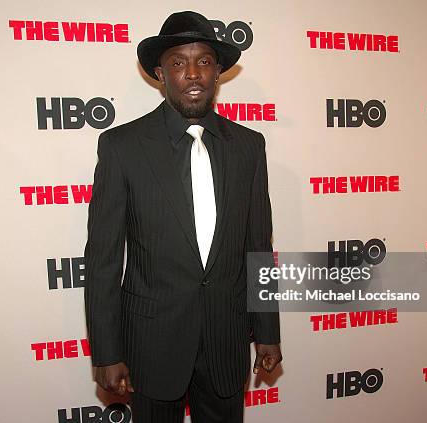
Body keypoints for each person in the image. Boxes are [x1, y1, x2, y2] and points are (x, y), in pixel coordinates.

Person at [83, 10, 282, 423]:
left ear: (218, 73)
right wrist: (107, 350)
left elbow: (259, 248)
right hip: (152, 343)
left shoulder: (248, 147)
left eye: (204, 62)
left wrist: (266, 333)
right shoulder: (122, 147)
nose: (193, 73)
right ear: (160, 74)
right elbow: (103, 259)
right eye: (178, 63)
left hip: (226, 344)